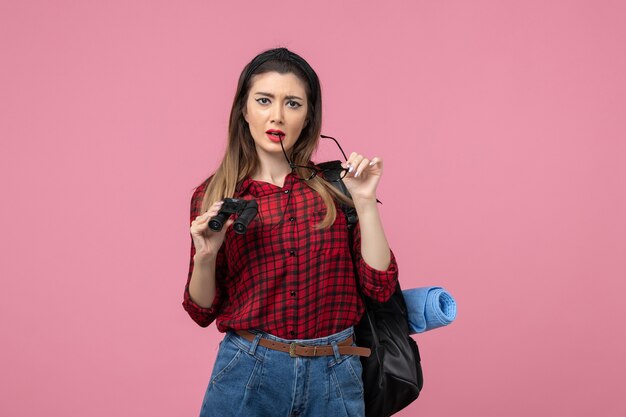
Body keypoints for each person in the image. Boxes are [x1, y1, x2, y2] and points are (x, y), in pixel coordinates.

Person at [182, 47, 399, 417]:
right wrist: (206, 255)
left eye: (293, 103)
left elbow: (379, 286)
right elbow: (202, 311)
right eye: (264, 100)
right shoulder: (214, 195)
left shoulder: (337, 188)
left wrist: (364, 202)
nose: (277, 115)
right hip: (247, 369)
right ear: (244, 110)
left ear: (309, 115)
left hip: (335, 370)